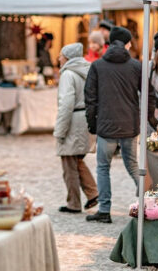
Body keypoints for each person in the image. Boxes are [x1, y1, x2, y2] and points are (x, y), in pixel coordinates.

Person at [84, 26, 156, 223]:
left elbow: (90, 98)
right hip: (129, 125)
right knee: (133, 165)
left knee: (102, 167)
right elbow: (148, 94)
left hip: (106, 125)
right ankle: (148, 202)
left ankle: (104, 210)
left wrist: (92, 124)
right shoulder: (136, 66)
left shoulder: (97, 66)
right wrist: (150, 119)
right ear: (128, 44)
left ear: (109, 43)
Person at [54, 43, 98, 213]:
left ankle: (73, 203)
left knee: (68, 163)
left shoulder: (68, 74)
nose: (58, 58)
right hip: (85, 118)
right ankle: (93, 193)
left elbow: (66, 104)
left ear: (68, 57)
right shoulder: (87, 70)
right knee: (76, 160)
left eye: (61, 55)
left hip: (73, 120)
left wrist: (60, 131)